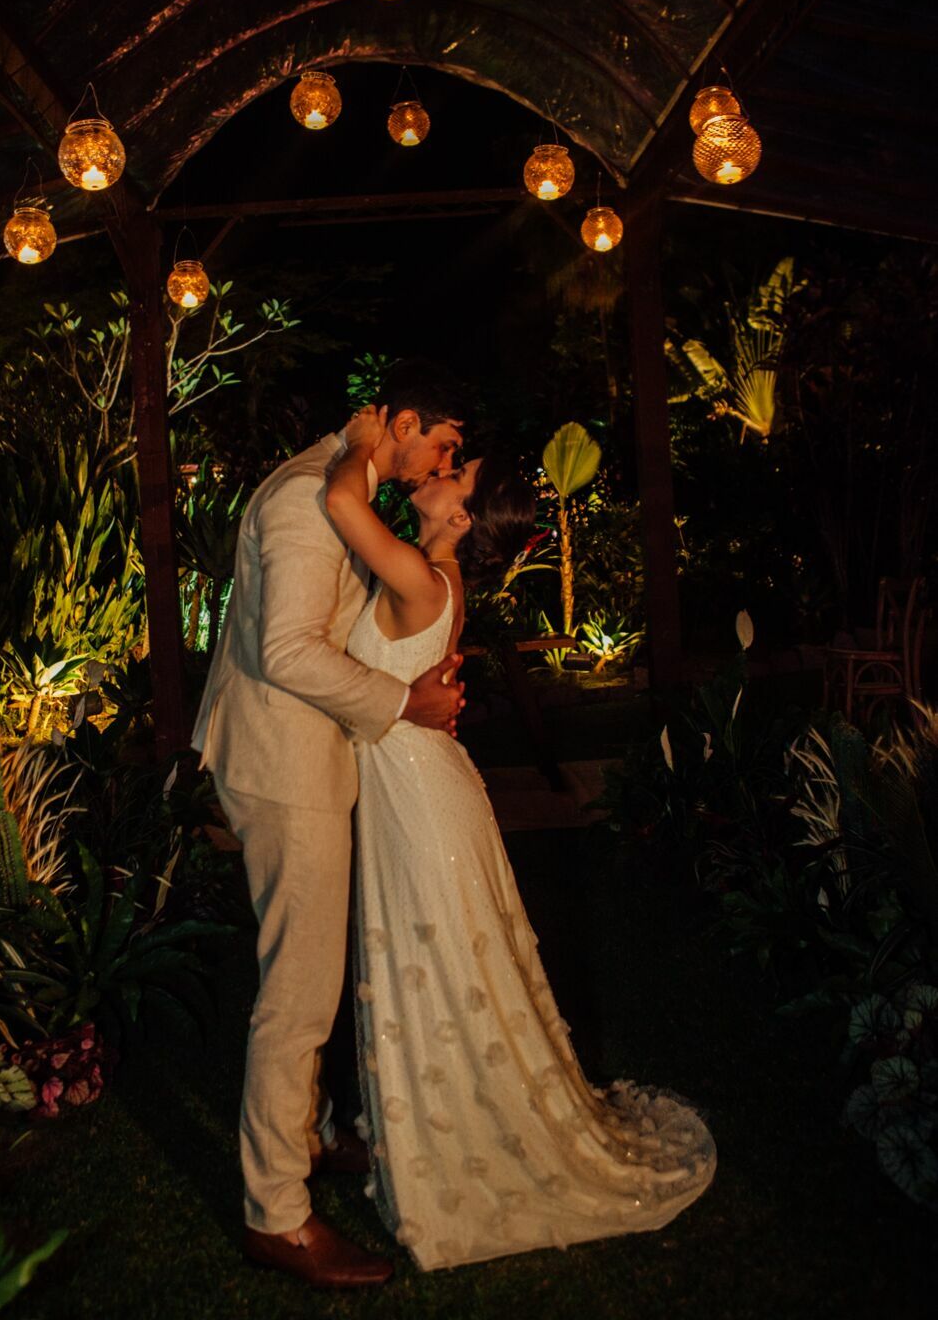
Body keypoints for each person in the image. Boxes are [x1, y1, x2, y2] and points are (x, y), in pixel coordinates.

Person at [324, 406, 716, 1272]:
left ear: (460, 517)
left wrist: (360, 443)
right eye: (446, 461)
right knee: (451, 959)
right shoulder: (437, 577)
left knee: (436, 958)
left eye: (453, 473)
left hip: (419, 796)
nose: (437, 469)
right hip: (422, 784)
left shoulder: (427, 580)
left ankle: (453, 1138)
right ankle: (445, 1121)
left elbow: (347, 511)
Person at [191, 360, 470, 1289]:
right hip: (283, 766)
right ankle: (276, 1213)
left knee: (304, 974)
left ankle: (303, 1138)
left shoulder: (332, 486)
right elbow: (284, 652)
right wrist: (401, 703)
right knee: (300, 991)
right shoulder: (306, 501)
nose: (441, 459)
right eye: (440, 440)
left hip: (299, 757)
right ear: (395, 420)